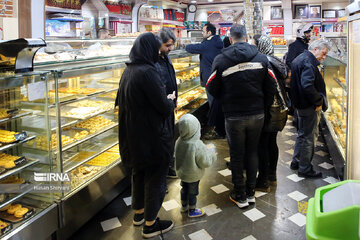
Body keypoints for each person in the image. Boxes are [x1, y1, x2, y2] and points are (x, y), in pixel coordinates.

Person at [206, 25, 276, 208]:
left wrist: (226, 99)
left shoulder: (221, 59)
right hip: (257, 114)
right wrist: (263, 105)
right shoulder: (261, 58)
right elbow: (272, 86)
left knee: (236, 155)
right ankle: (251, 193)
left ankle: (240, 194)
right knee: (252, 151)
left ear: (230, 39)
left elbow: (211, 86)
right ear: (247, 37)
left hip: (233, 115)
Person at [116, 33, 176, 239]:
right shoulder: (148, 72)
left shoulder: (129, 70)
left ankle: (139, 214)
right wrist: (170, 100)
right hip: (151, 136)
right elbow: (163, 106)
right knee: (156, 177)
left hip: (132, 135)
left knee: (139, 174)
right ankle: (151, 224)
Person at [290, 39, 330, 178]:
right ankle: (305, 168)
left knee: (302, 134)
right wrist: (318, 101)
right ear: (315, 49)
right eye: (323, 54)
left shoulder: (301, 58)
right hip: (309, 107)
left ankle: (296, 162)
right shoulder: (308, 62)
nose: (324, 57)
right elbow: (307, 85)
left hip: (300, 105)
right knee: (309, 137)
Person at [254, 35, 289, 192]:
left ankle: (262, 180)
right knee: (271, 142)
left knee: (262, 144)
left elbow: (267, 89)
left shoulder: (264, 62)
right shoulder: (276, 61)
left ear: (261, 46)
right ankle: (272, 175)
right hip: (279, 109)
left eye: (255, 45)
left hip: (269, 109)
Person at [175, 114, 216, 217]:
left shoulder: (178, 141)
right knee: (193, 192)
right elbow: (204, 162)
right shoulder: (197, 144)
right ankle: (192, 210)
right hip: (193, 176)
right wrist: (211, 154)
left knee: (184, 189)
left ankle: (184, 206)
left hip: (182, 174)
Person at [155, 28, 178, 178]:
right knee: (161, 142)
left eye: (172, 45)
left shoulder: (166, 57)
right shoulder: (152, 61)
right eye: (167, 45)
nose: (170, 49)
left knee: (169, 138)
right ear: (159, 44)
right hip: (160, 108)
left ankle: (168, 165)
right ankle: (160, 175)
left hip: (169, 105)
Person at [185, 22, 223, 107]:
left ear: (209, 33)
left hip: (210, 79)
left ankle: (214, 119)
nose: (202, 33)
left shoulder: (207, 45)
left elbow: (190, 48)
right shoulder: (218, 42)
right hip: (217, 76)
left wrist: (185, 45)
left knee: (212, 103)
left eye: (203, 31)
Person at [285, 23, 313, 129]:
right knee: (298, 101)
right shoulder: (294, 45)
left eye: (309, 32)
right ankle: (298, 122)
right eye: (307, 32)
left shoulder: (306, 46)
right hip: (297, 79)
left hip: (302, 78)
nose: (309, 34)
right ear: (301, 33)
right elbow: (289, 61)